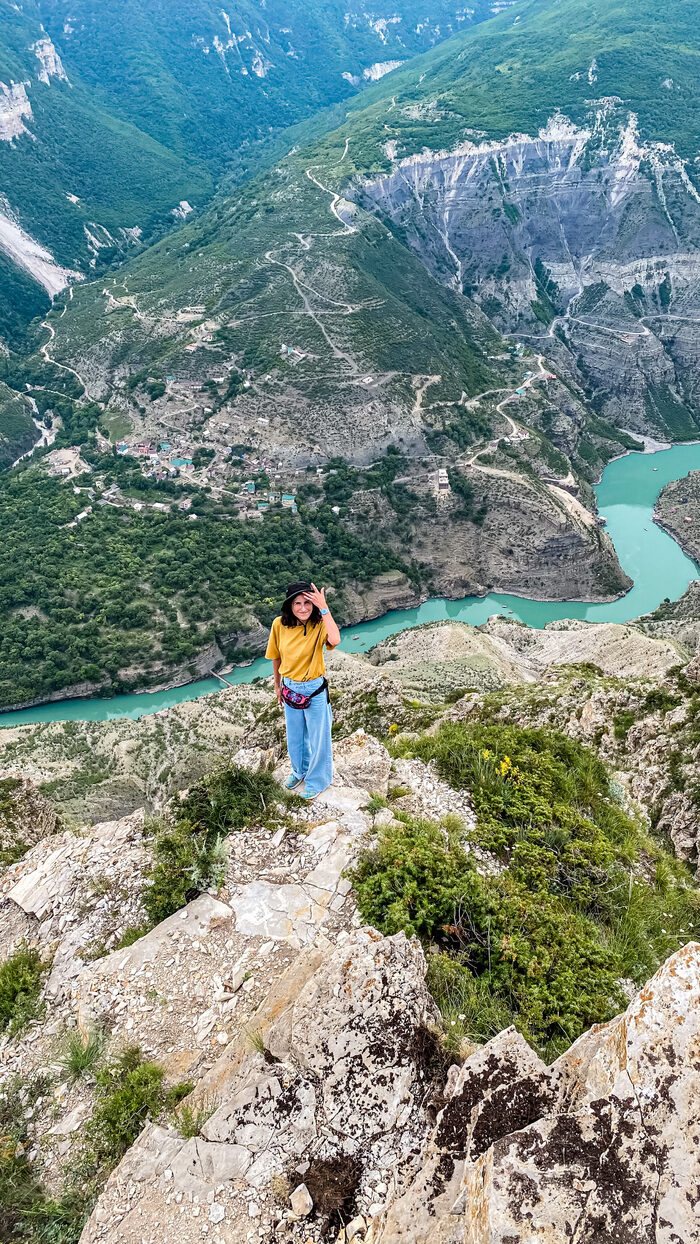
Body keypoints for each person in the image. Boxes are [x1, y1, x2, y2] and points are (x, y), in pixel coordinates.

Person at [265, 581, 341, 800]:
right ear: (289, 605)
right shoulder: (279, 625)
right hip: (290, 687)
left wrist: (324, 607)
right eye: (297, 603)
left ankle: (318, 781)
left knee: (319, 738)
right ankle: (300, 771)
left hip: (314, 689)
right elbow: (276, 656)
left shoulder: (319, 624)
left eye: (308, 603)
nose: (303, 608)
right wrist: (277, 685)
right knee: (295, 737)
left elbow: (335, 639)